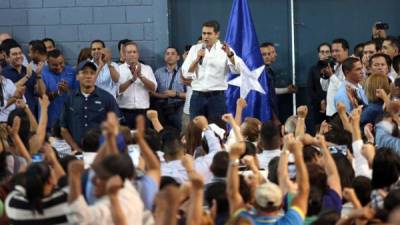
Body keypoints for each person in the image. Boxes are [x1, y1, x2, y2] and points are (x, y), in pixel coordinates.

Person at [181, 20, 240, 123]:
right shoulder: (195, 49)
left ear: (217, 34)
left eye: (209, 33)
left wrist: (230, 55)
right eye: (204, 33)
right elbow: (186, 74)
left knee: (217, 131)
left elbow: (238, 70)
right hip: (197, 97)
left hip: (217, 97)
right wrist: (197, 59)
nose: (205, 37)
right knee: (196, 131)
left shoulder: (225, 50)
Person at [60, 60, 120, 151]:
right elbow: (63, 128)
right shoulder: (70, 99)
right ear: (77, 77)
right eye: (84, 73)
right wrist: (76, 149)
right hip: (77, 150)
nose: (88, 76)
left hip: (102, 150)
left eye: (92, 73)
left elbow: (116, 125)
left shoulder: (107, 98)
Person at [5, 145, 69, 225]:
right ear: (50, 180)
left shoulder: (13, 205)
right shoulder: (65, 201)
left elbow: (16, 187)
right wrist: (54, 161)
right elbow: (66, 183)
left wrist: (26, 171)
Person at [117, 41, 157, 129]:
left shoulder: (147, 68)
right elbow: (117, 91)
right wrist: (132, 80)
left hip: (143, 111)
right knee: (126, 140)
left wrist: (141, 77)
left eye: (134, 52)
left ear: (138, 54)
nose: (132, 54)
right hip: (124, 111)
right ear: (124, 54)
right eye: (129, 52)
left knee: (144, 138)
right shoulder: (118, 69)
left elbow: (153, 88)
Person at [39, 49, 77, 130]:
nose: (59, 67)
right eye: (55, 65)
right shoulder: (42, 73)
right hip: (50, 122)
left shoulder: (71, 71)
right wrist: (58, 92)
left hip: (68, 121)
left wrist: (67, 90)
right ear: (48, 63)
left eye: (61, 63)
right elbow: (43, 97)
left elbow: (78, 95)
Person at [260, 41, 296, 124]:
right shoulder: (261, 73)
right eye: (264, 54)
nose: (268, 56)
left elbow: (271, 90)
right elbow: (265, 96)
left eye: (269, 53)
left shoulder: (269, 70)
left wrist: (287, 90)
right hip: (266, 114)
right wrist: (274, 117)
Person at [152, 47, 186, 131]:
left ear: (178, 57)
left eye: (173, 54)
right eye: (167, 54)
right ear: (164, 57)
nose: (169, 56)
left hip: (179, 105)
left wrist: (176, 94)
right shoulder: (158, 72)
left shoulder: (184, 71)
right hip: (161, 106)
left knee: (180, 128)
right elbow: (152, 92)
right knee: (160, 131)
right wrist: (161, 96)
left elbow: (190, 94)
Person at [2, 42, 38, 115]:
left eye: (20, 53)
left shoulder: (30, 71)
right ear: (8, 57)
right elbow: (12, 89)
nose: (18, 56)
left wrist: (39, 76)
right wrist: (27, 76)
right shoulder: (3, 73)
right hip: (12, 116)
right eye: (14, 54)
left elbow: (37, 92)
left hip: (30, 113)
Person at [308, 43, 332, 131]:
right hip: (317, 106)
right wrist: (321, 101)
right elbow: (310, 89)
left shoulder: (334, 68)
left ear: (330, 53)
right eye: (322, 52)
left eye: (327, 52)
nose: (324, 54)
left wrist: (326, 101)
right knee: (319, 130)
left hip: (332, 106)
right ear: (318, 54)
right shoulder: (313, 69)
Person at [326, 38, 350, 117]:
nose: (334, 54)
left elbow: (345, 89)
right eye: (332, 51)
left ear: (346, 51)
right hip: (331, 111)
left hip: (343, 112)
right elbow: (325, 88)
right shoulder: (335, 66)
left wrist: (332, 76)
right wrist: (324, 75)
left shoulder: (351, 66)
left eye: (337, 51)